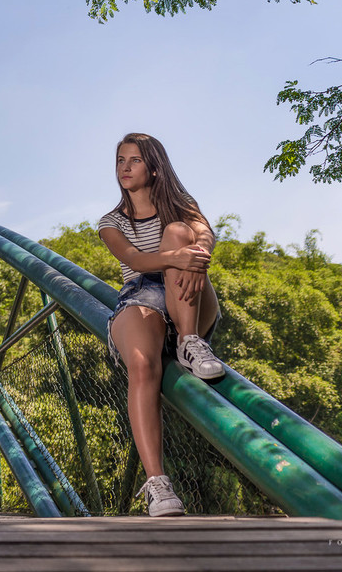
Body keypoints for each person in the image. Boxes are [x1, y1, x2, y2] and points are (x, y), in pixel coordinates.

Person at [97, 132, 224, 517]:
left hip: (189, 296)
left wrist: (190, 252)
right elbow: (134, 260)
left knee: (179, 231)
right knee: (141, 364)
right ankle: (157, 485)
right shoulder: (110, 221)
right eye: (120, 161)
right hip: (140, 295)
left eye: (134, 160)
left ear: (154, 167)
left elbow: (204, 233)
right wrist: (177, 259)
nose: (125, 168)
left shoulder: (182, 205)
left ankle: (189, 341)